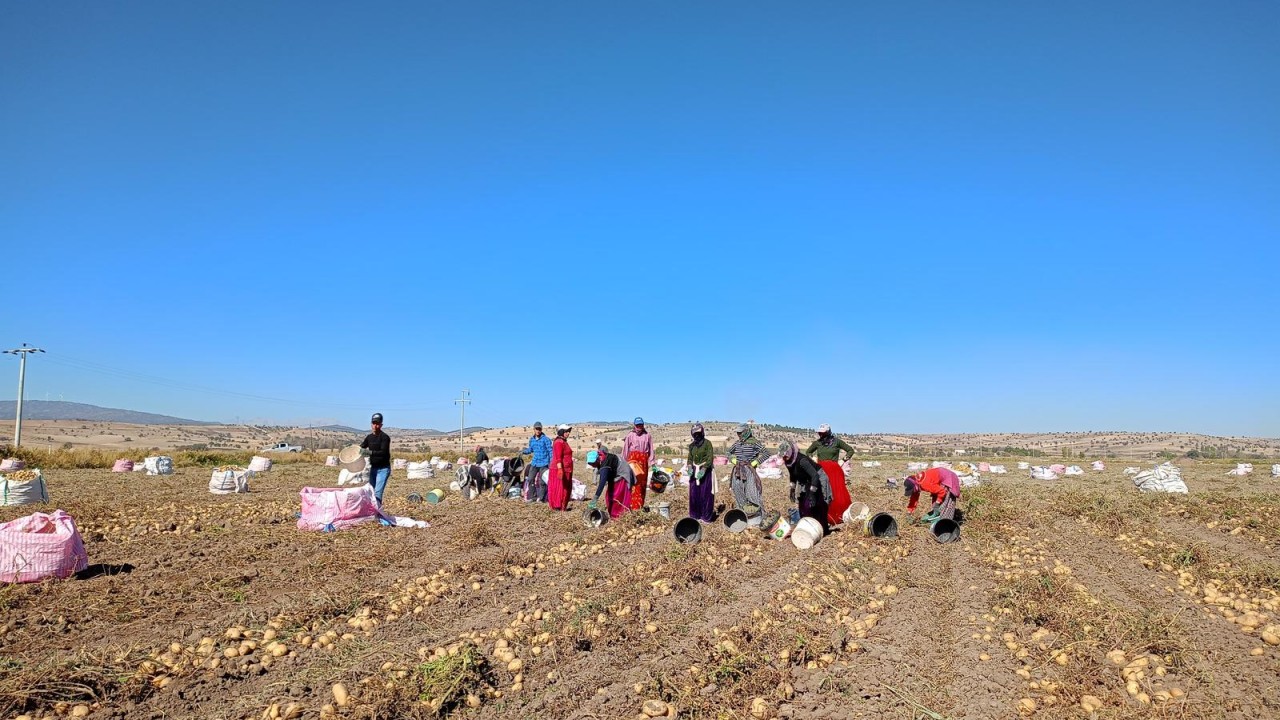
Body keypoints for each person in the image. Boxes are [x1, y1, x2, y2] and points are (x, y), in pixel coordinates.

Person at [780, 441, 833, 533]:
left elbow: (815, 476)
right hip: (805, 480)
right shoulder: (788, 461)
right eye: (783, 456)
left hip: (817, 478)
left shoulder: (802, 461)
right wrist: (792, 489)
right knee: (804, 502)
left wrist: (812, 493)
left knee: (820, 502)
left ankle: (823, 528)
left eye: (785, 455)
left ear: (790, 452)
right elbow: (792, 475)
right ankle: (809, 526)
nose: (784, 458)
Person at [726, 423, 767, 521]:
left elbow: (766, 453)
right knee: (738, 490)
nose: (739, 435)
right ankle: (743, 515)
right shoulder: (737, 443)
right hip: (738, 470)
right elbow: (728, 452)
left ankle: (759, 517)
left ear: (746, 432)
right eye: (738, 433)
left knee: (752, 493)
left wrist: (756, 462)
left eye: (740, 433)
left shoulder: (754, 443)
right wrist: (733, 459)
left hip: (749, 470)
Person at [586, 449, 634, 519]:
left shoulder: (605, 464)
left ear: (597, 459)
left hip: (622, 474)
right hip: (615, 474)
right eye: (590, 464)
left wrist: (595, 499)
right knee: (609, 497)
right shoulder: (601, 458)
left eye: (593, 463)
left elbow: (602, 482)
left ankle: (620, 517)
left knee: (617, 497)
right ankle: (614, 515)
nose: (593, 465)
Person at [622, 417, 655, 511]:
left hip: (643, 462)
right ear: (634, 425)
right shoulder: (630, 435)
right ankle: (631, 506)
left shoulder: (647, 435)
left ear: (643, 425)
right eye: (637, 425)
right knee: (633, 483)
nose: (639, 427)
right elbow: (625, 450)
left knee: (642, 484)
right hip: (633, 462)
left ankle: (639, 506)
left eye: (641, 425)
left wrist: (652, 463)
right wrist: (623, 463)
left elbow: (651, 450)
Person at [686, 423, 716, 522]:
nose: (697, 436)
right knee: (694, 494)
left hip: (706, 472)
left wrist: (704, 469)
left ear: (702, 432)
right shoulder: (691, 446)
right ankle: (695, 515)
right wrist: (690, 467)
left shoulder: (707, 443)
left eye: (698, 433)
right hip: (694, 472)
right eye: (695, 434)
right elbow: (690, 458)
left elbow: (710, 458)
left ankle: (706, 516)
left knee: (706, 494)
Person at [360, 413, 392, 506]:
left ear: (381, 425)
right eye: (374, 423)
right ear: (371, 424)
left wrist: (370, 453)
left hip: (383, 469)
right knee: (371, 491)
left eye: (378, 424)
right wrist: (353, 448)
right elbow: (361, 447)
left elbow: (383, 452)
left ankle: (377, 513)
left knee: (377, 493)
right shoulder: (369, 437)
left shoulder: (385, 437)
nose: (375, 426)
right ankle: (371, 511)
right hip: (373, 468)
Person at [519, 422, 553, 503]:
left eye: (539, 429)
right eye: (536, 429)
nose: (538, 430)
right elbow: (530, 449)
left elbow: (550, 451)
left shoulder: (546, 439)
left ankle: (541, 499)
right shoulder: (532, 440)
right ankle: (532, 497)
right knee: (530, 479)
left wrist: (551, 462)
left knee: (542, 482)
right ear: (534, 429)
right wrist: (523, 451)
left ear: (541, 429)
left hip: (544, 463)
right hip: (534, 463)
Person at [548, 424, 574, 511]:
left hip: (567, 469)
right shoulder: (559, 442)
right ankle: (557, 507)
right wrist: (560, 469)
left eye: (568, 432)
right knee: (559, 489)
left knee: (565, 489)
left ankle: (562, 507)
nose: (568, 433)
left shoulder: (564, 441)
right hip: (559, 469)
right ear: (561, 432)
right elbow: (558, 458)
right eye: (566, 431)